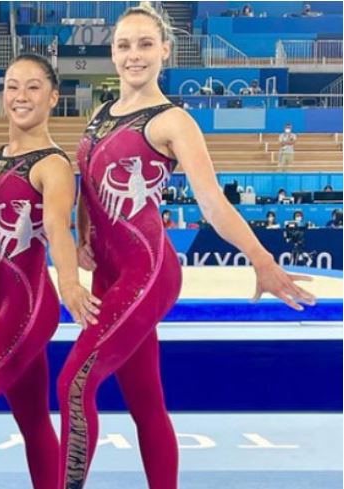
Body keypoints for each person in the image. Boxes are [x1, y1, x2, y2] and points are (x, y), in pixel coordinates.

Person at [60, 4, 316, 489]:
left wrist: (261, 259)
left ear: (165, 50)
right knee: (145, 403)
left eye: (144, 44)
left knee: (74, 382)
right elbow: (86, 185)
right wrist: (82, 236)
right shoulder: (100, 114)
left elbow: (213, 203)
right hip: (109, 275)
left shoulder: (173, 121)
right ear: (111, 53)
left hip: (147, 272)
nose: (134, 55)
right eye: (124, 46)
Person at [0, 54, 100, 489]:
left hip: (29, 309)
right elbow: (3, 223)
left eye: (33, 87)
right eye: (13, 86)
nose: (20, 96)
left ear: (53, 97)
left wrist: (69, 281)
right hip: (6, 303)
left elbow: (56, 226)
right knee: (32, 420)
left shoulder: (52, 165)